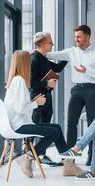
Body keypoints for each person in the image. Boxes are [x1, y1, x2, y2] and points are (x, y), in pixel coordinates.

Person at [46, 25, 95, 166]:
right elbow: (54, 55)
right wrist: (39, 52)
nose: (76, 40)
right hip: (76, 90)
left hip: (92, 90)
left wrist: (87, 71)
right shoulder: (71, 51)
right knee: (71, 123)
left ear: (87, 37)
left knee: (93, 125)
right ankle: (69, 159)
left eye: (79, 37)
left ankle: (91, 157)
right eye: (75, 37)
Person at [4, 50, 68, 178]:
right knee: (54, 132)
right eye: (29, 61)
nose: (31, 64)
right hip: (20, 126)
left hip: (18, 123)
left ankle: (68, 163)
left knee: (56, 128)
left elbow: (19, 105)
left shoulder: (15, 80)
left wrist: (33, 101)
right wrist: (36, 103)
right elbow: (19, 109)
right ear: (24, 64)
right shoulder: (20, 81)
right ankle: (27, 157)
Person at [30, 32, 68, 166]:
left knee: (46, 125)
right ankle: (31, 156)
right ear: (42, 44)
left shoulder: (43, 58)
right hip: (38, 98)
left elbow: (57, 68)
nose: (52, 44)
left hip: (46, 96)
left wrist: (68, 57)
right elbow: (30, 83)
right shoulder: (34, 59)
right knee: (39, 127)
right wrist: (46, 83)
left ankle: (41, 155)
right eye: (50, 42)